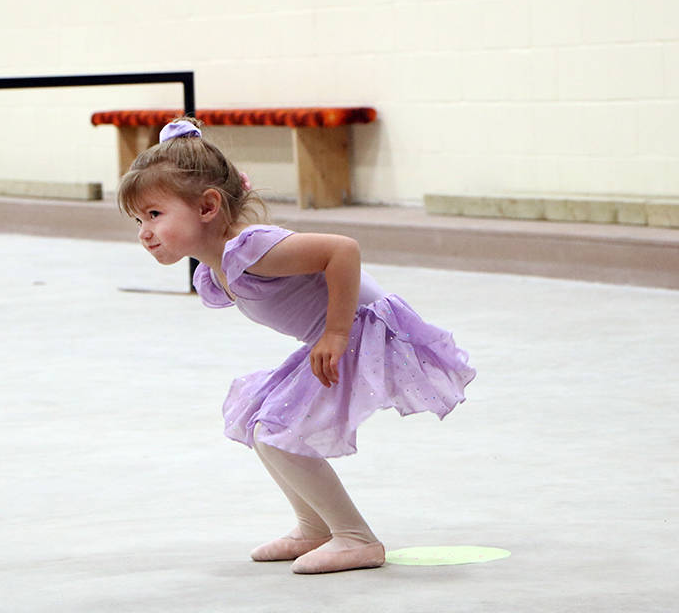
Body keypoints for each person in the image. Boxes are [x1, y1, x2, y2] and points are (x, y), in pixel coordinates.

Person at [118, 118, 475, 574]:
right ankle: (315, 527)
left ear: (208, 206)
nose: (144, 232)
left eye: (154, 215)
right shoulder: (217, 268)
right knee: (261, 425)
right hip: (336, 334)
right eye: (137, 220)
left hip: (364, 331)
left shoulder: (251, 248)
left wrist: (336, 333)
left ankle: (356, 539)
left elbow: (342, 250)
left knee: (278, 429)